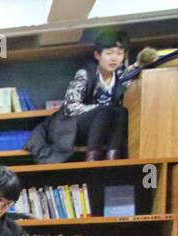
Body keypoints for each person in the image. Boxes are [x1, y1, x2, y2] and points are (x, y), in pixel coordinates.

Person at [28, 30, 133, 163]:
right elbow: (70, 107)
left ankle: (113, 155)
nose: (114, 58)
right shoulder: (85, 74)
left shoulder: (122, 77)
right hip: (75, 129)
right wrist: (100, 107)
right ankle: (92, 156)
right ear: (97, 55)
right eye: (109, 53)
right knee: (105, 110)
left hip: (105, 129)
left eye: (119, 53)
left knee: (121, 111)